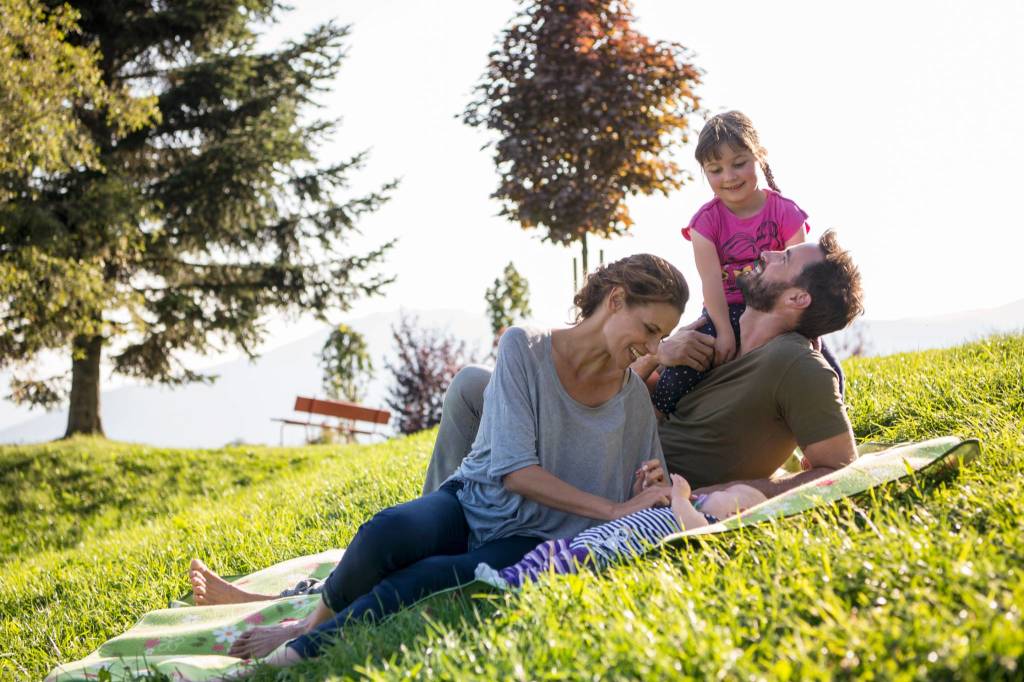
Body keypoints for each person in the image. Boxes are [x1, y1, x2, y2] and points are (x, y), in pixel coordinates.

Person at [189, 253, 689, 668]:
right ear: (616, 299)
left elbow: (654, 495)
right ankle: (306, 621)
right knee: (387, 530)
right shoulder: (526, 346)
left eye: (660, 337)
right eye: (648, 330)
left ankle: (286, 658)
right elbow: (514, 472)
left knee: (425, 581)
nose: (651, 348)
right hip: (475, 504)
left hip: (532, 540)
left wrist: (645, 486)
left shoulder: (633, 402)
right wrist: (615, 510)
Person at [424, 230, 864, 499]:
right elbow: (626, 394)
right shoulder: (717, 330)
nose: (768, 255)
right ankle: (440, 513)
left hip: (628, 476)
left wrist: (742, 491)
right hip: (607, 437)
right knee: (473, 388)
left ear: (796, 299)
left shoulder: (797, 364)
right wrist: (658, 354)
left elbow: (842, 468)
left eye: (784, 259)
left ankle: (442, 522)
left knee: (472, 394)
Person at [651, 111, 845, 419]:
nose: (729, 177)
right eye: (715, 169)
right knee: (681, 374)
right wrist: (725, 332)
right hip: (723, 312)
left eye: (739, 163)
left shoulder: (786, 212)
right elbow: (711, 282)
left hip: (776, 310)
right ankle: (656, 425)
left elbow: (804, 279)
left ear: (759, 157)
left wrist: (810, 330)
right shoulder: (705, 223)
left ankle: (830, 426)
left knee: (827, 368)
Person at [475, 473, 766, 589]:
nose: (723, 490)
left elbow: (694, 532)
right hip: (600, 533)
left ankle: (523, 585)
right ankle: (508, 576)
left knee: (570, 561)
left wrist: (681, 497)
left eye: (731, 492)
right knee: (549, 549)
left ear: (735, 514)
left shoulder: (710, 523)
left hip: (611, 547)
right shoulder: (687, 509)